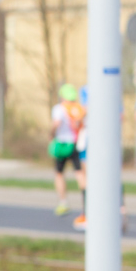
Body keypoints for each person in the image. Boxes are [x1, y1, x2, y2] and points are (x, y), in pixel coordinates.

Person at [51, 84, 87, 219]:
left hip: (62, 144)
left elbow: (56, 124)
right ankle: (86, 203)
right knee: (79, 174)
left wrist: (51, 134)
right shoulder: (79, 109)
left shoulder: (59, 109)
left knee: (59, 173)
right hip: (76, 143)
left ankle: (63, 202)